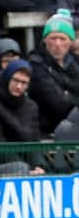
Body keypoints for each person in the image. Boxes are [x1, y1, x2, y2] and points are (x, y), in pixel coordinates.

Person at [28, 8, 79, 137]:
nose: (57, 43)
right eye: (53, 38)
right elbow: (57, 103)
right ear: (45, 40)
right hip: (47, 130)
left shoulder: (75, 63)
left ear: (71, 41)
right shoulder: (36, 63)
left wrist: (67, 96)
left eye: (62, 38)